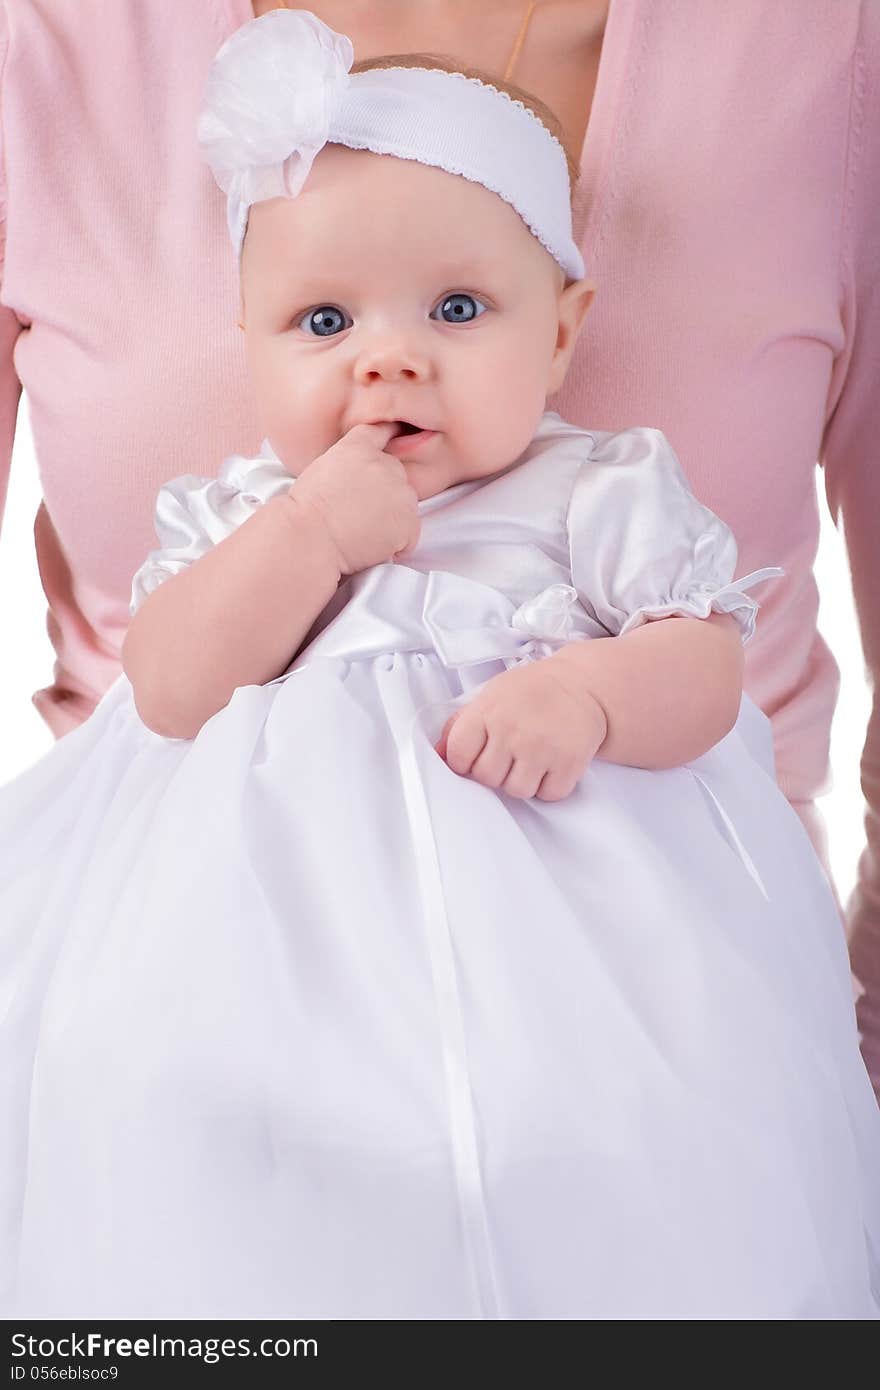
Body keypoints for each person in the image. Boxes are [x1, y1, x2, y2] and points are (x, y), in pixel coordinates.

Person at [1, 7, 878, 1321]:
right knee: (189, 1237)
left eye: (458, 308)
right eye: (322, 320)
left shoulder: (597, 491)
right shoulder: (247, 514)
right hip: (240, 1002)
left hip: (610, 1021)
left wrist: (589, 694)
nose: (389, 357)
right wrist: (302, 536)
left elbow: (704, 661)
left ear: (565, 331)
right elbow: (170, 680)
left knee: (676, 1235)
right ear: (247, 340)